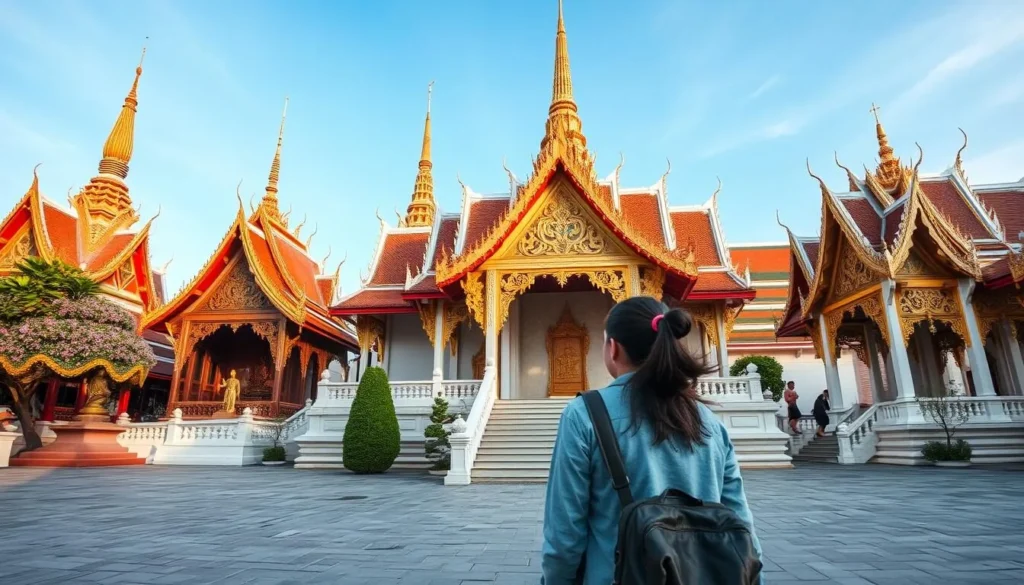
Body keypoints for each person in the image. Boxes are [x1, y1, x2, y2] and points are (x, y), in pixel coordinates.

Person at [541, 296, 762, 585]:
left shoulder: (583, 415)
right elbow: (741, 524)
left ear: (613, 347)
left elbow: (565, 532)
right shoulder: (709, 421)